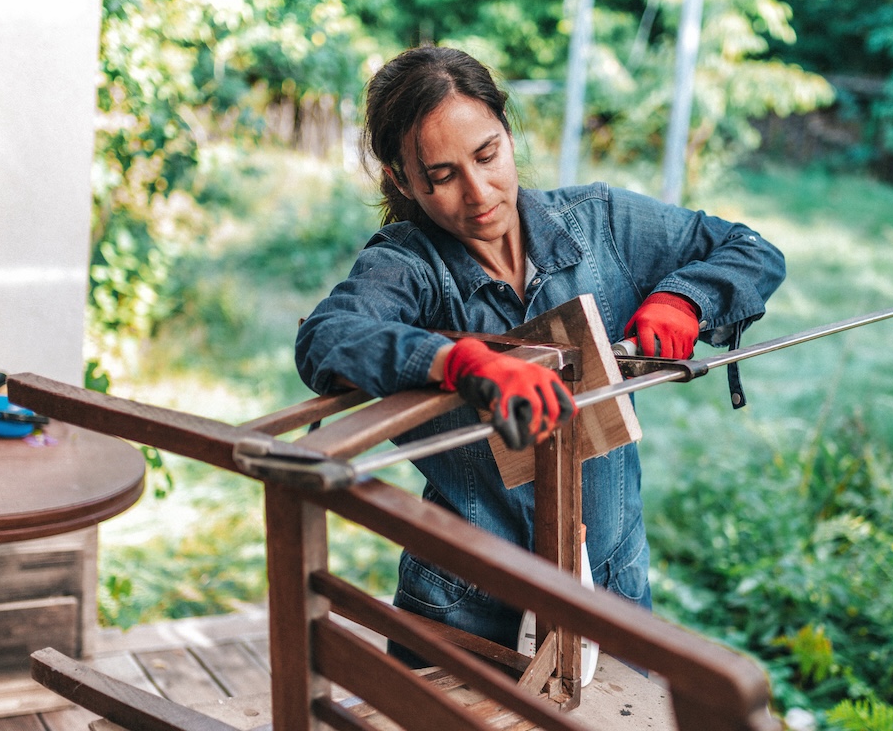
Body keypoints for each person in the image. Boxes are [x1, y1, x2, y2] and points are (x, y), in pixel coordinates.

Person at [295, 45, 785, 663]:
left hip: (611, 581)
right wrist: (460, 363)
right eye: (442, 177)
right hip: (465, 598)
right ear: (402, 179)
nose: (478, 193)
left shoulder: (599, 222)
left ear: (506, 129)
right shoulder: (407, 265)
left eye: (487, 155)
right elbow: (327, 335)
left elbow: (751, 250)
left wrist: (684, 299)